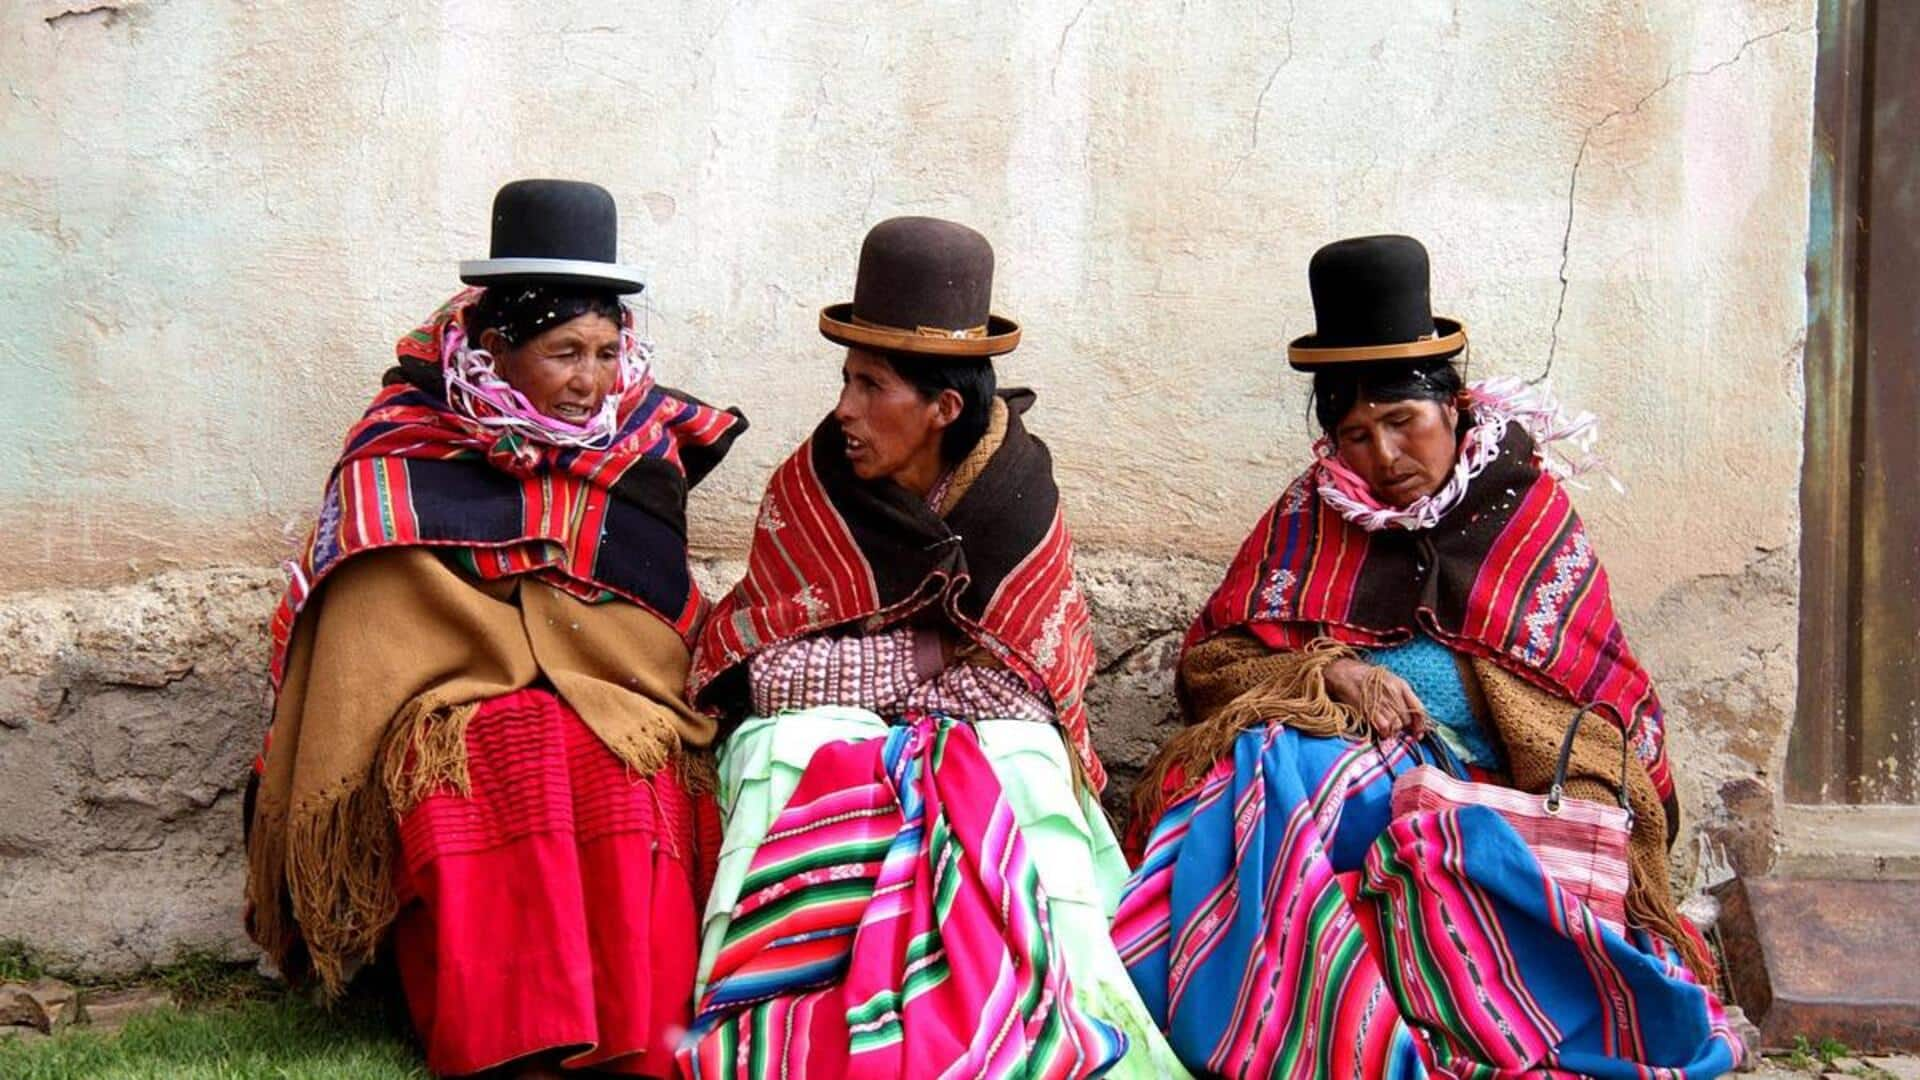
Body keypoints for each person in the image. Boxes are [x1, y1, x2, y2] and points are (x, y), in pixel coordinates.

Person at [1114, 235, 1744, 1079]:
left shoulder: (1528, 514)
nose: (1382, 458)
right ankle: (1265, 1017)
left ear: (1454, 407)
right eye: (1355, 435)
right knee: (1267, 762)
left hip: (1486, 790)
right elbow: (1215, 664)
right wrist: (1330, 671)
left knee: (1309, 780)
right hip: (1336, 775)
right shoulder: (1310, 513)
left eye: (1403, 422)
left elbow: (1589, 704)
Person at [244, 179, 747, 1078]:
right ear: (492, 348)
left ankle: (637, 1036)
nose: (588, 380)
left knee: (621, 767)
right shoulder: (404, 437)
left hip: (613, 686)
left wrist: (567, 648)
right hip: (447, 693)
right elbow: (371, 601)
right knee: (499, 753)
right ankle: (512, 1040)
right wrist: (502, 646)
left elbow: (652, 609)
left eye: (603, 351)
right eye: (562, 353)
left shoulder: (640, 441)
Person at [677, 217, 1188, 1078]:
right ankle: (779, 1036)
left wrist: (891, 702)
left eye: (871, 386)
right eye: (845, 379)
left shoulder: (1017, 497)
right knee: (783, 749)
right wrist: (929, 662)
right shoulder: (813, 488)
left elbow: (1029, 691)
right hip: (830, 725)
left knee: (1024, 763)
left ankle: (1042, 1027)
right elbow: (767, 674)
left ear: (945, 408)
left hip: (969, 731)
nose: (843, 409)